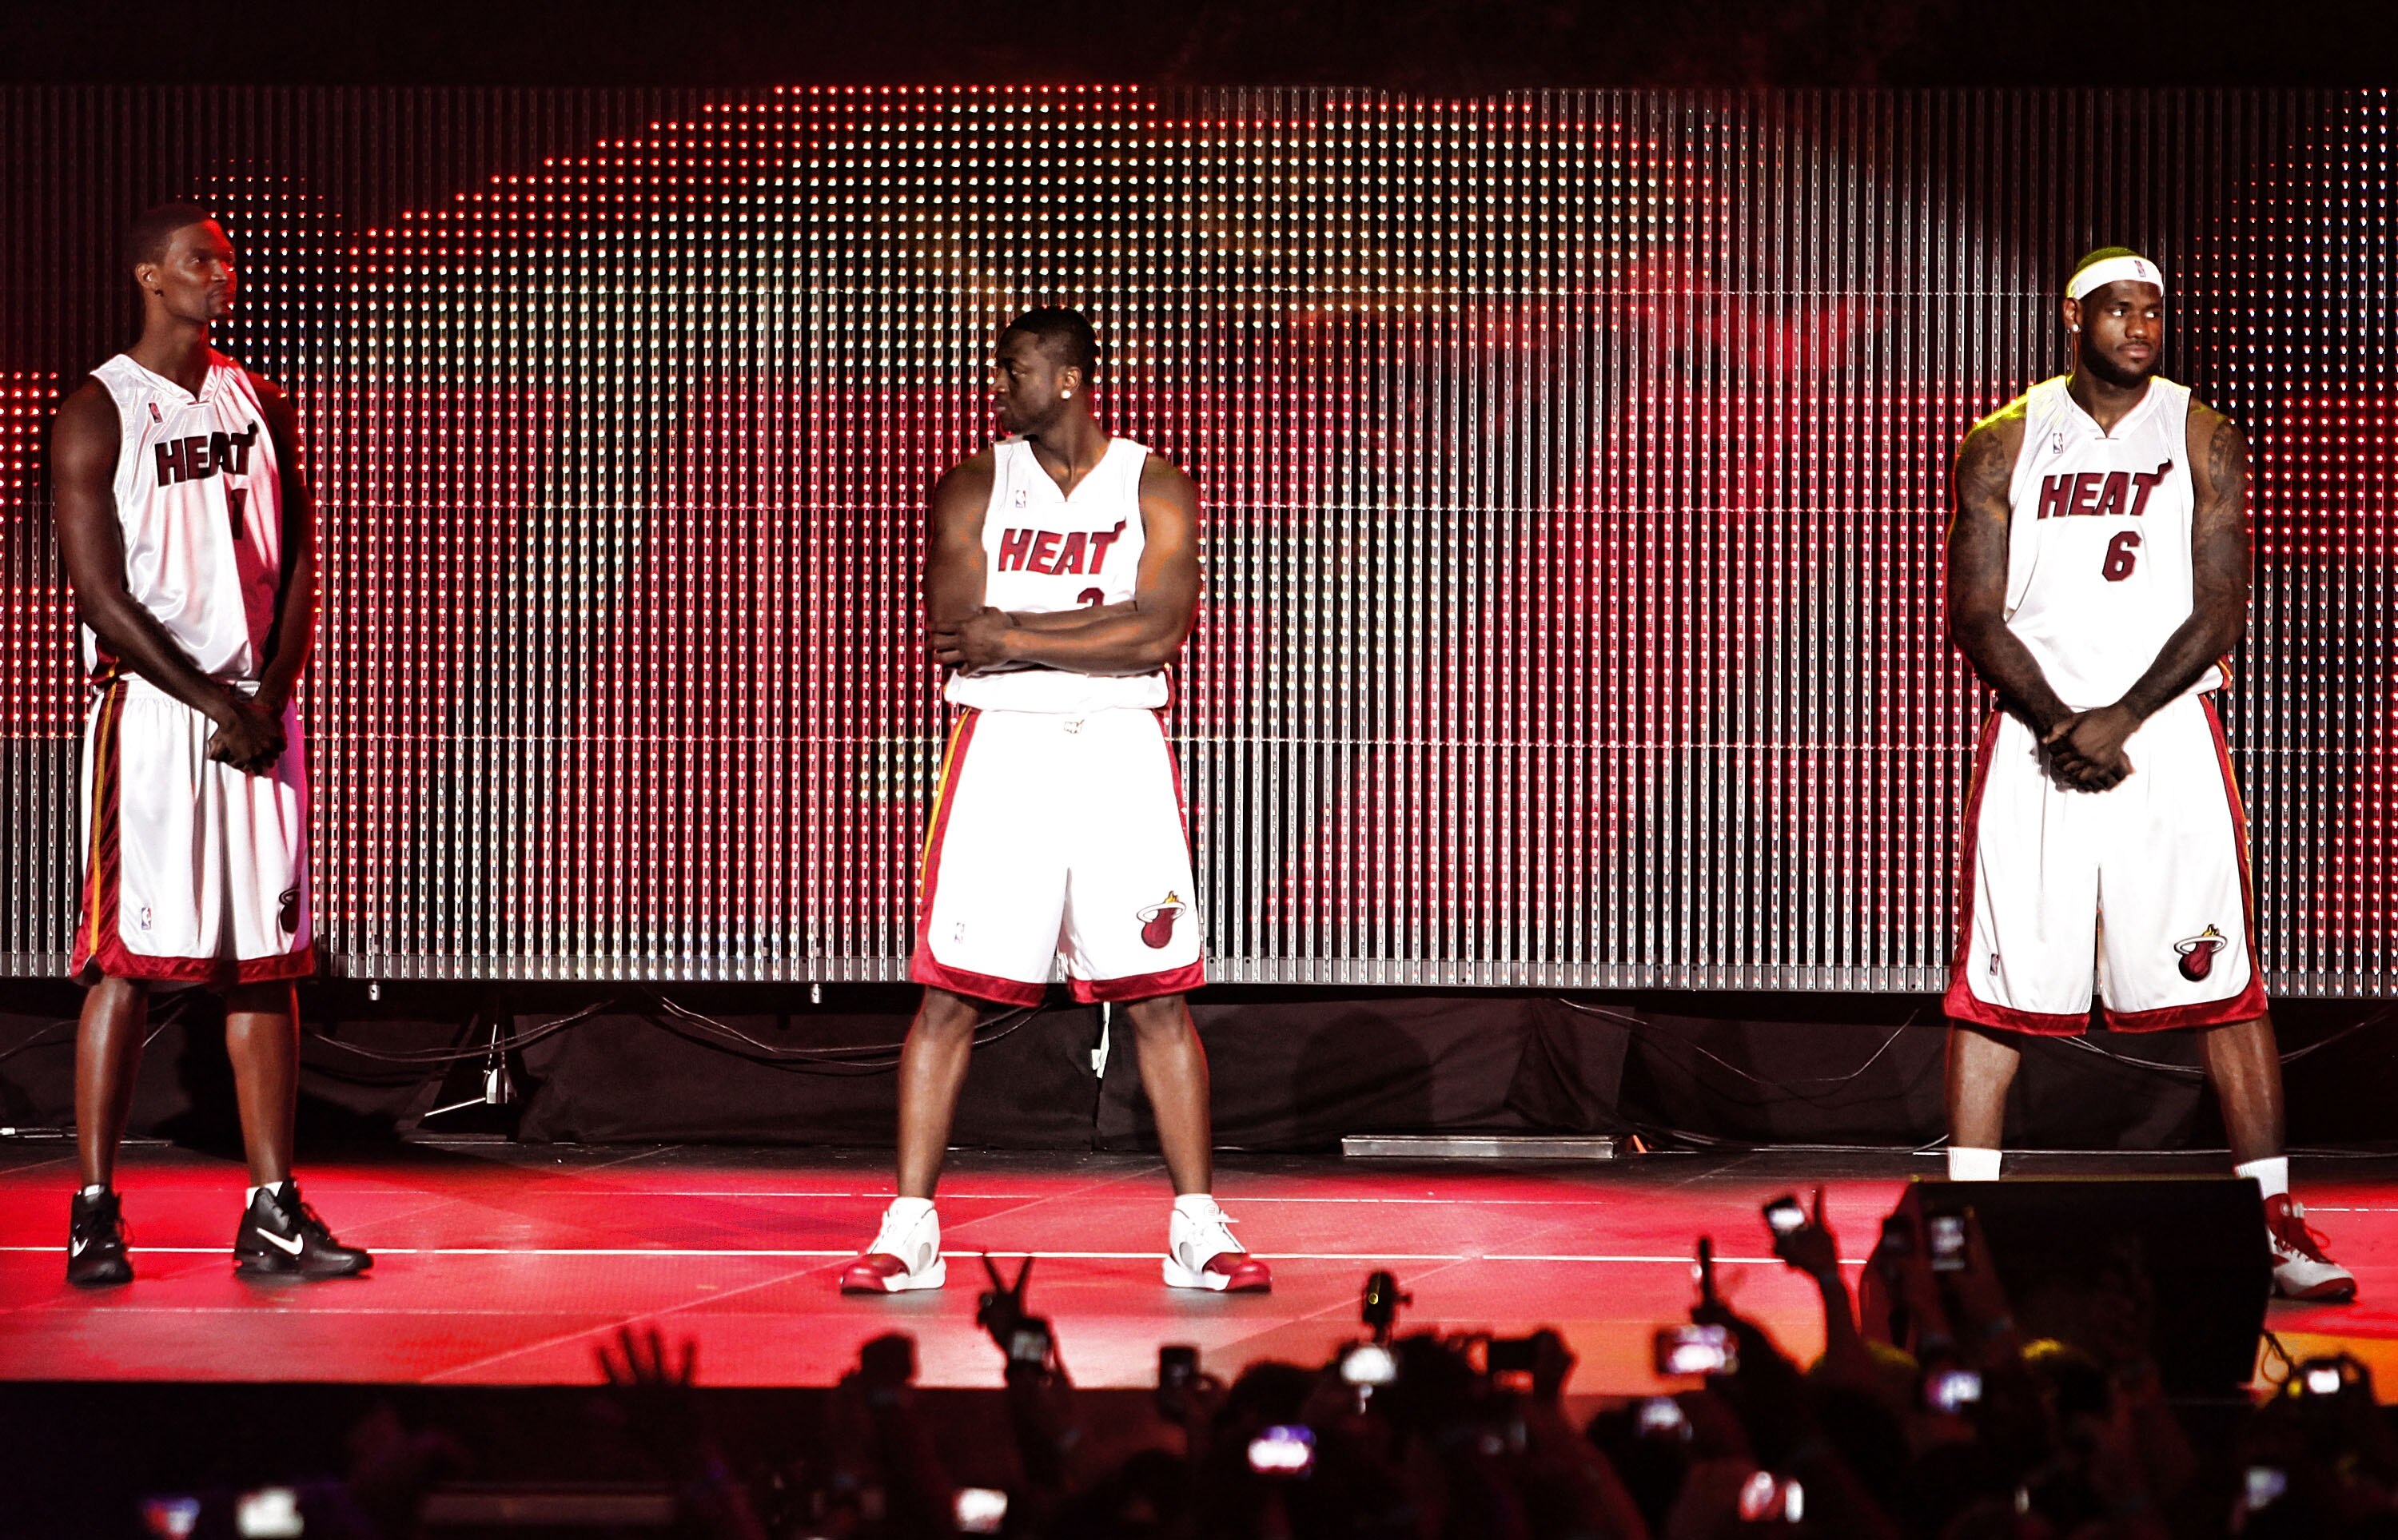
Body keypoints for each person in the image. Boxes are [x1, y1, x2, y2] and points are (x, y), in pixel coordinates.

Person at [1941, 247, 2350, 1301]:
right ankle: (1965, 1224)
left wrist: (2120, 714)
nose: (2140, 326)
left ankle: (2271, 1217)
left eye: (2154, 311)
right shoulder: (2002, 441)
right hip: (2038, 736)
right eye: (2119, 309)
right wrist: (2062, 720)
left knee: (2225, 983)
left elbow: (2220, 601)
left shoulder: (2204, 432)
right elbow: (1975, 611)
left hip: (2165, 733)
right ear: (2073, 317)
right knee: (1995, 987)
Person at [840, 308, 1267, 1295]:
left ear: (1070, 378)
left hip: (1118, 750)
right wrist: (1087, 628)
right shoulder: (976, 484)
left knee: (1160, 996)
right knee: (948, 995)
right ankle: (911, 1226)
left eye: (1017, 370)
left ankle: (1196, 1226)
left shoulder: (1152, 481)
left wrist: (1019, 633)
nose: (999, 386)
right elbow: (957, 628)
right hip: (1007, 752)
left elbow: (1159, 634)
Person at [50, 202, 369, 1285]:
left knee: (265, 964)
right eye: (199, 260)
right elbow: (100, 591)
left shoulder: (261, 400)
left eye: (227, 262)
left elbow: (301, 561)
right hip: (154, 708)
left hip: (255, 713)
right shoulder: (100, 406)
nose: (220, 276)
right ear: (149, 274)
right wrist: (208, 697)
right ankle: (96, 1206)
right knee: (127, 963)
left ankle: (272, 1207)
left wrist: (269, 693)